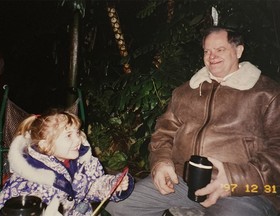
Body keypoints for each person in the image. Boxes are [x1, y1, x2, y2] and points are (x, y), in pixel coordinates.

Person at [105, 26, 280, 216]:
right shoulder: (185, 91)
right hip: (182, 181)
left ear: (238, 50)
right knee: (121, 205)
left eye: (220, 49)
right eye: (207, 51)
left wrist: (235, 178)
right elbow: (163, 132)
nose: (212, 56)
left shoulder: (266, 93)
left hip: (245, 189)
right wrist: (161, 162)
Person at [0, 109, 134, 216]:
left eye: (78, 132)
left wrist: (113, 185)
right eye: (68, 136)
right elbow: (8, 210)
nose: (78, 140)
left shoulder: (81, 162)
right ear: (45, 145)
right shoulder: (27, 181)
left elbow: (91, 186)